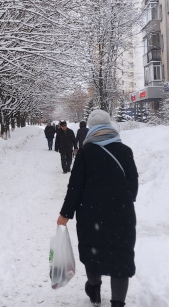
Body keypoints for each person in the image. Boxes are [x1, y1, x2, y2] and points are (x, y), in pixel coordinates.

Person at [56, 109, 138, 307]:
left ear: (92, 128)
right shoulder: (125, 151)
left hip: (90, 214)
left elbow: (75, 187)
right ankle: (118, 302)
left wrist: (65, 214)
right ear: (109, 126)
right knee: (120, 256)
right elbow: (133, 184)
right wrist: (122, 201)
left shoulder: (85, 153)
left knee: (94, 252)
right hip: (121, 214)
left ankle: (94, 291)